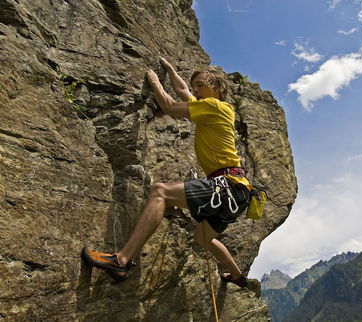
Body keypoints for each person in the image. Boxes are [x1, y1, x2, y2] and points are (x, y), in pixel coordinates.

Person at [81, 57, 252, 288]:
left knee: (159, 192)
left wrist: (155, 82)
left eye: (201, 85)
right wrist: (171, 70)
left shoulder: (215, 106)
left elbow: (170, 106)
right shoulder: (212, 110)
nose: (196, 90)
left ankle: (120, 260)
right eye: (195, 86)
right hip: (238, 193)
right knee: (202, 238)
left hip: (226, 186)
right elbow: (183, 91)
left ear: (218, 88)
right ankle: (238, 276)